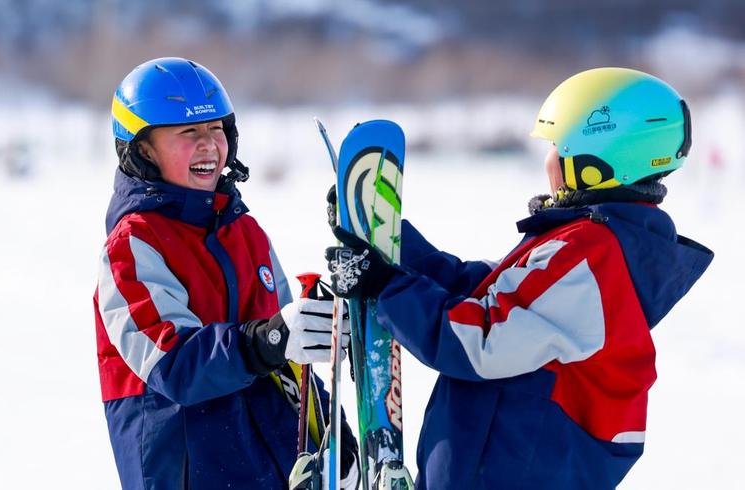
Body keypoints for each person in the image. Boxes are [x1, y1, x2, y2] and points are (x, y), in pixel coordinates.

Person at [325, 67, 713, 489]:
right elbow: (490, 293)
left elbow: (481, 339)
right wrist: (397, 249)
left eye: (558, 148)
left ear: (599, 161)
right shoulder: (597, 246)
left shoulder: (592, 256)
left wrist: (386, 287)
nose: (548, 161)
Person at [94, 57, 358, 489]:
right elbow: (173, 365)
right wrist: (268, 339)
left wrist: (330, 428)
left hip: (269, 471)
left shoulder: (246, 233)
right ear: (143, 148)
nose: (208, 145)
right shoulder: (132, 247)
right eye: (188, 132)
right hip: (189, 471)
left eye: (216, 129)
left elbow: (286, 360)